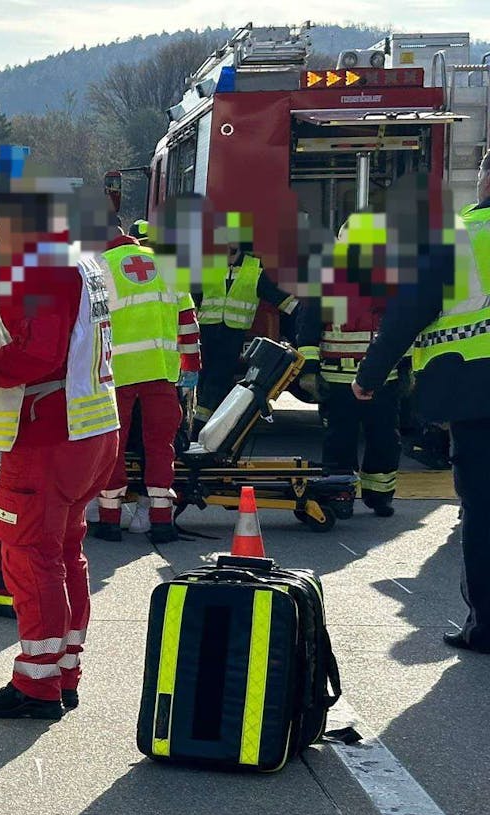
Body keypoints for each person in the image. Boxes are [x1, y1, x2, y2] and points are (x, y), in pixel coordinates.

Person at [0, 183, 119, 721]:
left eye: (0, 226)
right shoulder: (84, 263)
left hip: (50, 433)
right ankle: (64, 672)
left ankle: (36, 686)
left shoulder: (39, 269)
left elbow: (39, 353)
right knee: (65, 554)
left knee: (30, 556)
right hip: (93, 428)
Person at [353, 153, 490, 653]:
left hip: (474, 394)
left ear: (485, 180)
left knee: (482, 510)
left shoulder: (460, 238)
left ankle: (485, 625)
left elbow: (407, 315)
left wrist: (369, 376)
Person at [91, 223, 200, 544]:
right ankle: (162, 521)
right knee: (160, 447)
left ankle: (110, 521)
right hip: (161, 372)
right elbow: (188, 323)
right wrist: (191, 366)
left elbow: (91, 324)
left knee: (113, 447)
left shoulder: (99, 268)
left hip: (117, 375)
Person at [299, 211, 403, 518]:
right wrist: (308, 371)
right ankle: (338, 494)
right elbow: (308, 329)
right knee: (339, 441)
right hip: (338, 379)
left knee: (384, 439)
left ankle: (379, 495)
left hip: (383, 379)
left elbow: (403, 330)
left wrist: (408, 369)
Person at [192, 234, 299, 425]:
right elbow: (192, 299)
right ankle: (205, 426)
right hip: (206, 333)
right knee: (204, 380)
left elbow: (282, 300)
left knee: (217, 380)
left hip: (231, 336)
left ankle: (201, 427)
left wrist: (312, 313)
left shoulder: (255, 268)